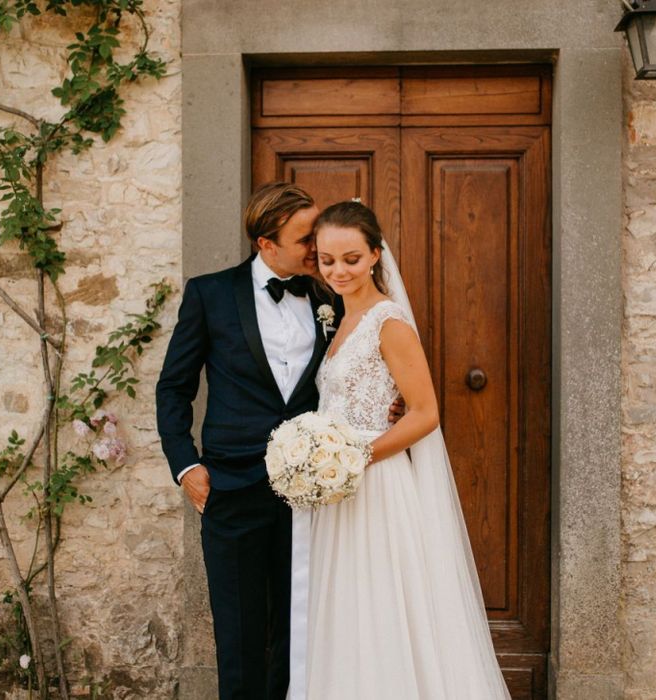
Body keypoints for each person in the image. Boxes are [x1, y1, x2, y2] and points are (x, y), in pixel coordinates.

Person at [299, 201, 512, 699]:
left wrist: (355, 458)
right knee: (350, 611)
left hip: (376, 485)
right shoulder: (337, 321)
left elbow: (424, 413)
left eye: (351, 258)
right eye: (328, 260)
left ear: (375, 255)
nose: (338, 270)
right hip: (339, 492)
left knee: (382, 607)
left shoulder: (386, 321)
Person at [156, 182, 326, 700]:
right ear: (266, 243)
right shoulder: (210, 293)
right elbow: (174, 387)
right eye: (305, 238)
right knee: (240, 633)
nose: (317, 247)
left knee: (300, 633)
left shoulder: (329, 295)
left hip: (311, 494)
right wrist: (187, 467)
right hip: (231, 488)